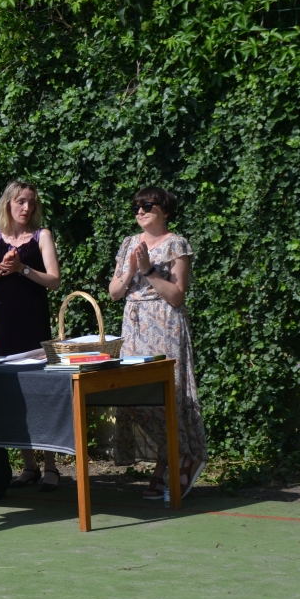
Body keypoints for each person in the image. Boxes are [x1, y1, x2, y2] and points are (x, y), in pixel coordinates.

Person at [108, 187, 208, 499]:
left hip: (165, 325)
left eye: (147, 205)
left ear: (164, 210)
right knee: (133, 396)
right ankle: (181, 457)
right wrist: (129, 270)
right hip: (134, 326)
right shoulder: (129, 243)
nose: (140, 211)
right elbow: (114, 293)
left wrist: (148, 270)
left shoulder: (176, 244)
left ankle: (166, 467)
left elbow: (177, 295)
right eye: (136, 207)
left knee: (168, 397)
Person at [0, 181, 63, 492]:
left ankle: (51, 466)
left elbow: (54, 281)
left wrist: (23, 268)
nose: (26, 208)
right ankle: (29, 466)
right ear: (8, 204)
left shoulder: (41, 236)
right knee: (15, 397)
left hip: (34, 325)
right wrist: (2, 269)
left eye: (31, 203)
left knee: (42, 393)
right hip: (3, 326)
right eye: (21, 202)